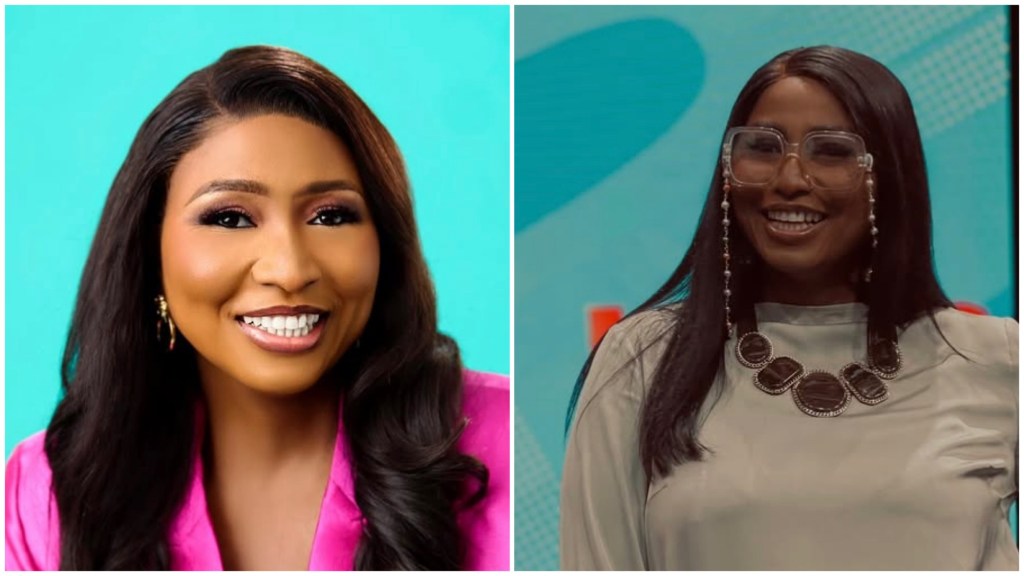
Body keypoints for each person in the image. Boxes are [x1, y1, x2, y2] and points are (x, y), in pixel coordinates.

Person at [5, 45, 509, 571]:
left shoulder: (510, 442)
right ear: (149, 251)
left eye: (332, 216)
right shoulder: (45, 493)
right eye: (229, 218)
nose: (289, 270)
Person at [560, 46, 1016, 570]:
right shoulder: (642, 356)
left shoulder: (997, 358)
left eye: (832, 151)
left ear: (888, 177)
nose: (790, 179)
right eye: (763, 148)